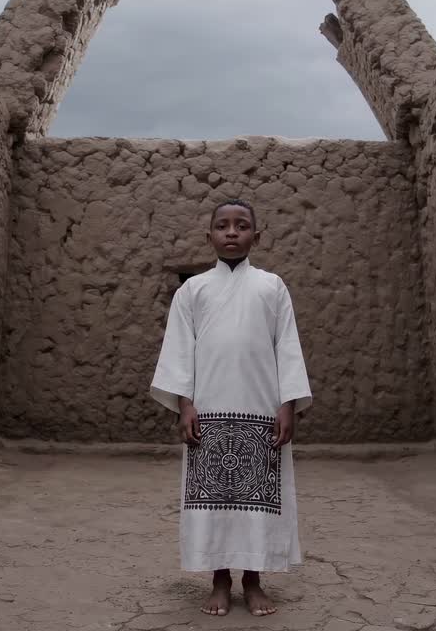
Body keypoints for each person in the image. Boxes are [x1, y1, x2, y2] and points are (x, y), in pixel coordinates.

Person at [150, 199, 313, 617]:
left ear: (256, 237)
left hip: (261, 411)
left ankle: (253, 580)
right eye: (222, 225)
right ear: (210, 237)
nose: (232, 232)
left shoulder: (273, 286)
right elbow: (179, 352)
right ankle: (220, 579)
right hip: (209, 411)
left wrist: (287, 404)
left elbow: (288, 348)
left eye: (242, 225)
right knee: (215, 500)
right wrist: (184, 405)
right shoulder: (193, 290)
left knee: (257, 502)